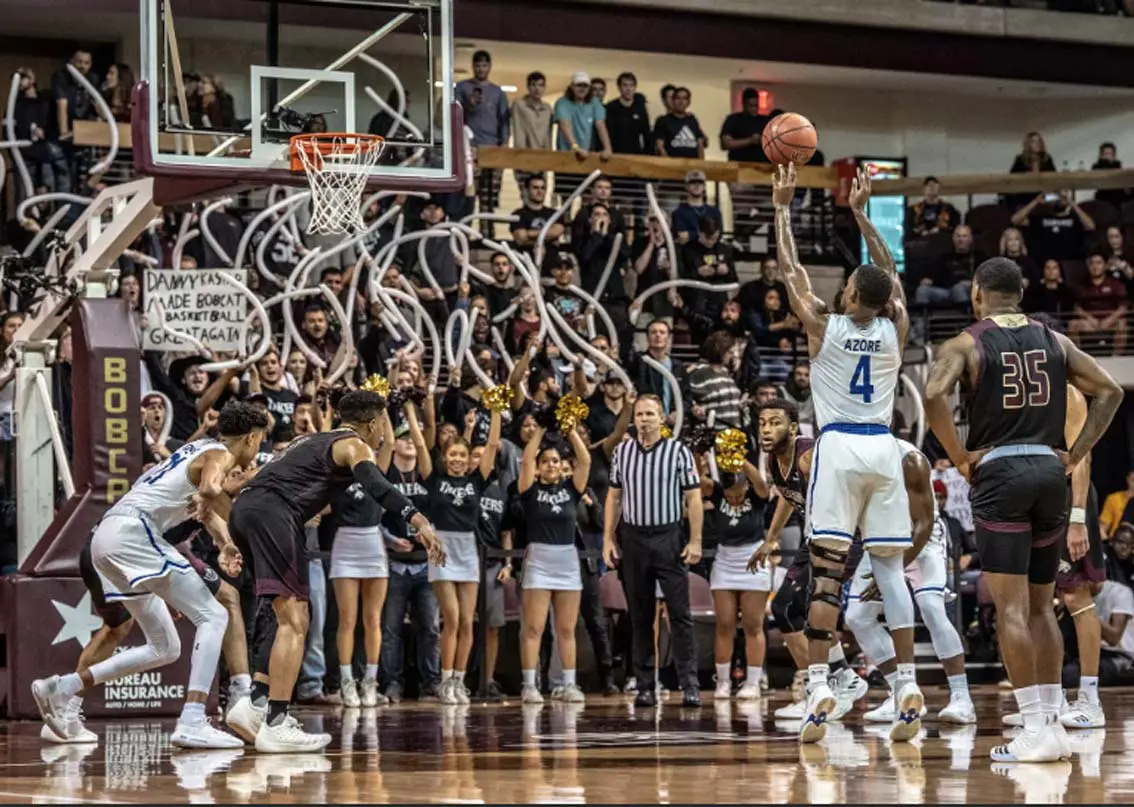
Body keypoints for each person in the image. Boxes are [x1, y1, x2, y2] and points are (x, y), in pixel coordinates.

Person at [924, 256, 1123, 762]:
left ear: (976, 293)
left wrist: (961, 457)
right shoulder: (1056, 341)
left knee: (1010, 608)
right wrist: (1075, 455)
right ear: (1020, 293)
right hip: (1050, 476)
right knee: (1042, 606)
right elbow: (1110, 391)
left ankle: (1034, 727)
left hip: (1003, 474)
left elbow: (931, 394)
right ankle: (1052, 724)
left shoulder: (966, 343)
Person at [773, 162, 921, 745]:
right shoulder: (895, 326)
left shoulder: (824, 325)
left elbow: (791, 269)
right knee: (889, 572)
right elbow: (892, 275)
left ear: (852, 293)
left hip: (836, 445)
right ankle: (906, 679)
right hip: (884, 448)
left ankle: (818, 684)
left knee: (828, 574)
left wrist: (783, 207)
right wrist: (863, 215)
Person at [31, 403, 269, 750]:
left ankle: (63, 687)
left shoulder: (193, 449)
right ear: (251, 438)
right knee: (215, 614)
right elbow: (210, 489)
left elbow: (200, 500)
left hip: (108, 538)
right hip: (133, 535)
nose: (258, 450)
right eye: (260, 442)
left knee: (165, 647)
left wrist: (224, 542)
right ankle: (192, 719)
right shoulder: (219, 453)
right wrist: (227, 511)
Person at [225, 391, 441, 752]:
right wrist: (418, 519)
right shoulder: (353, 444)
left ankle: (256, 703)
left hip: (245, 511)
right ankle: (277, 722)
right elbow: (377, 486)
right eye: (382, 428)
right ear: (373, 425)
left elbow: (255, 477)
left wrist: (224, 491)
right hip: (273, 515)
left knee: (279, 615)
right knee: (296, 618)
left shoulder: (305, 439)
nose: (383, 437)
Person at [748, 399, 867, 721]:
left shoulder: (808, 455)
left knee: (814, 606)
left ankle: (822, 686)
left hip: (844, 535)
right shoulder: (773, 461)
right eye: (762, 422)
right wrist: (771, 538)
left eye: (775, 422)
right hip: (815, 538)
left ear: (793, 427)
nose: (767, 429)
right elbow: (789, 498)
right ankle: (840, 677)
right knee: (785, 606)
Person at [844, 438, 976, 726]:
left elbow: (924, 523)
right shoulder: (848, 456)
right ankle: (900, 693)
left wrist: (891, 574)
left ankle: (962, 698)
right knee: (857, 616)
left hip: (922, 540)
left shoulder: (909, 459)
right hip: (879, 539)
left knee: (930, 606)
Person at [1002, 383, 1105, 730]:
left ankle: (1090, 700)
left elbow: (1082, 457)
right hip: (1038, 495)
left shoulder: (1068, 394)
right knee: (1039, 598)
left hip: (1068, 499)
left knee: (1078, 596)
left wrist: (1078, 518)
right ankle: (1051, 700)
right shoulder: (1022, 394)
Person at [602, 395, 703, 708]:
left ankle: (690, 684)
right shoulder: (622, 451)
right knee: (640, 615)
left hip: (668, 537)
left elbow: (694, 497)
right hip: (634, 538)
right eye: (640, 414)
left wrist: (695, 540)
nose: (644, 419)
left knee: (680, 614)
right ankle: (645, 683)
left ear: (662, 418)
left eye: (650, 414)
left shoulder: (677, 451)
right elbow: (614, 497)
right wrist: (607, 538)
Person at [418, 402, 502, 704]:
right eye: (452, 454)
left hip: (468, 549)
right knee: (451, 618)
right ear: (445, 456)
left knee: (468, 620)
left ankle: (458, 680)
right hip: (442, 547)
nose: (456, 459)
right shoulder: (434, 480)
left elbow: (492, 444)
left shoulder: (476, 481)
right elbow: (419, 443)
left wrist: (495, 410)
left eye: (462, 455)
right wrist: (415, 414)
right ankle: (444, 680)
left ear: (468, 460)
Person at [518, 424, 592, 704]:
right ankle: (529, 684)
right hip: (538, 560)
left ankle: (569, 684)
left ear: (563, 466)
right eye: (546, 461)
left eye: (556, 461)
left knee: (566, 628)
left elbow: (585, 461)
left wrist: (572, 430)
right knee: (534, 627)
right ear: (538, 467)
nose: (551, 465)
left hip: (567, 561)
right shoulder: (529, 490)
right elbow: (525, 460)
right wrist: (538, 431)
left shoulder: (572, 489)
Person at [329, 405, 397, 709]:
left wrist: (380, 406)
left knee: (372, 619)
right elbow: (325, 440)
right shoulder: (337, 470)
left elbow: (391, 443)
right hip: (345, 541)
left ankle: (370, 681)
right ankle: (347, 683)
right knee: (347, 619)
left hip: (372, 541)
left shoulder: (375, 468)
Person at [706, 457, 770, 702]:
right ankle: (722, 681)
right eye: (729, 497)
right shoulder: (718, 492)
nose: (733, 500)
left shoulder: (756, 496)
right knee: (724, 624)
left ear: (745, 487)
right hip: (724, 562)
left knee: (753, 624)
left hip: (753, 560)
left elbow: (762, 484)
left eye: (738, 496)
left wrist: (739, 459)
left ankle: (752, 683)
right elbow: (696, 481)